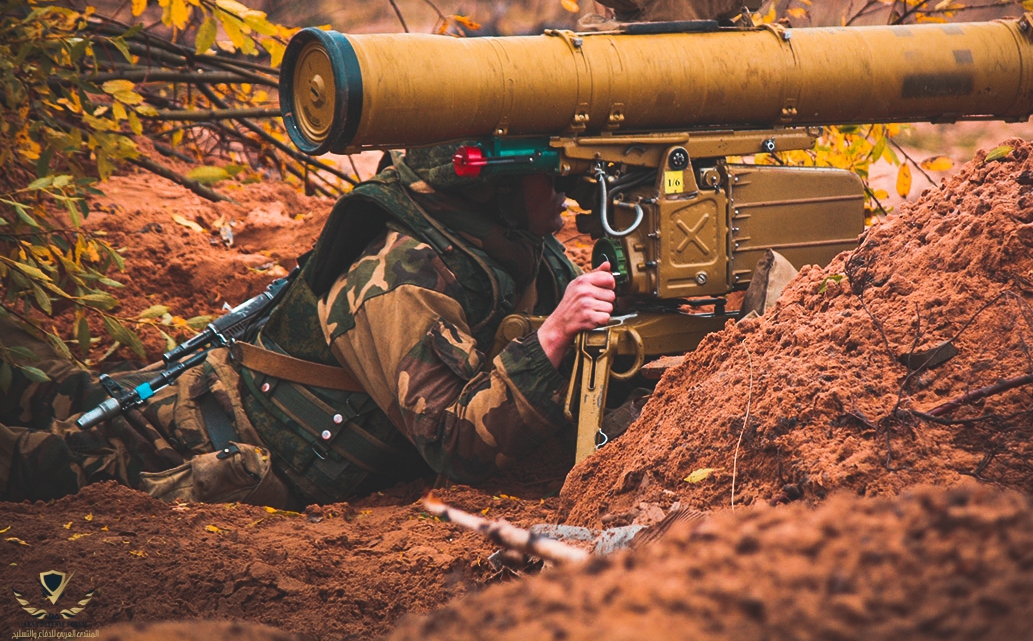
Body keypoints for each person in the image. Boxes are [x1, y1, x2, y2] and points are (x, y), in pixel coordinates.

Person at [0, 146, 617, 506]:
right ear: (494, 185)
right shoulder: (398, 275)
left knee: (70, 389)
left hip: (239, 406)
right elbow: (456, 446)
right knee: (37, 461)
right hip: (215, 435)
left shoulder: (510, 243)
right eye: (551, 171)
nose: (568, 186)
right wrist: (551, 339)